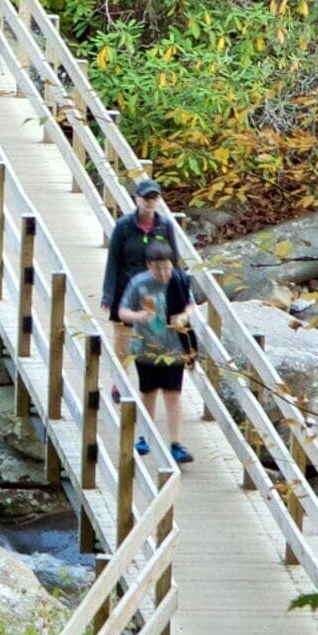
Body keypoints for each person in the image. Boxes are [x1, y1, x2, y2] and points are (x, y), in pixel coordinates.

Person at [120, 244, 197, 464]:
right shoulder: (139, 283)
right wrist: (138, 316)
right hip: (146, 347)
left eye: (166, 268)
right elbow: (122, 311)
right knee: (148, 392)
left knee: (173, 394)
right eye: (157, 268)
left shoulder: (179, 280)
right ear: (149, 266)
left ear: (172, 265)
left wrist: (183, 316)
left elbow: (190, 305)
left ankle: (176, 444)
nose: (162, 273)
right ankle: (145, 437)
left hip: (174, 347)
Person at [101, 179, 172, 325]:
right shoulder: (123, 226)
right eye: (146, 198)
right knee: (123, 336)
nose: (150, 202)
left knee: (151, 331)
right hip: (125, 289)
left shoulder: (165, 226)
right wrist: (108, 295)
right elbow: (113, 261)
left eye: (154, 198)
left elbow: (173, 262)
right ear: (137, 199)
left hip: (152, 291)